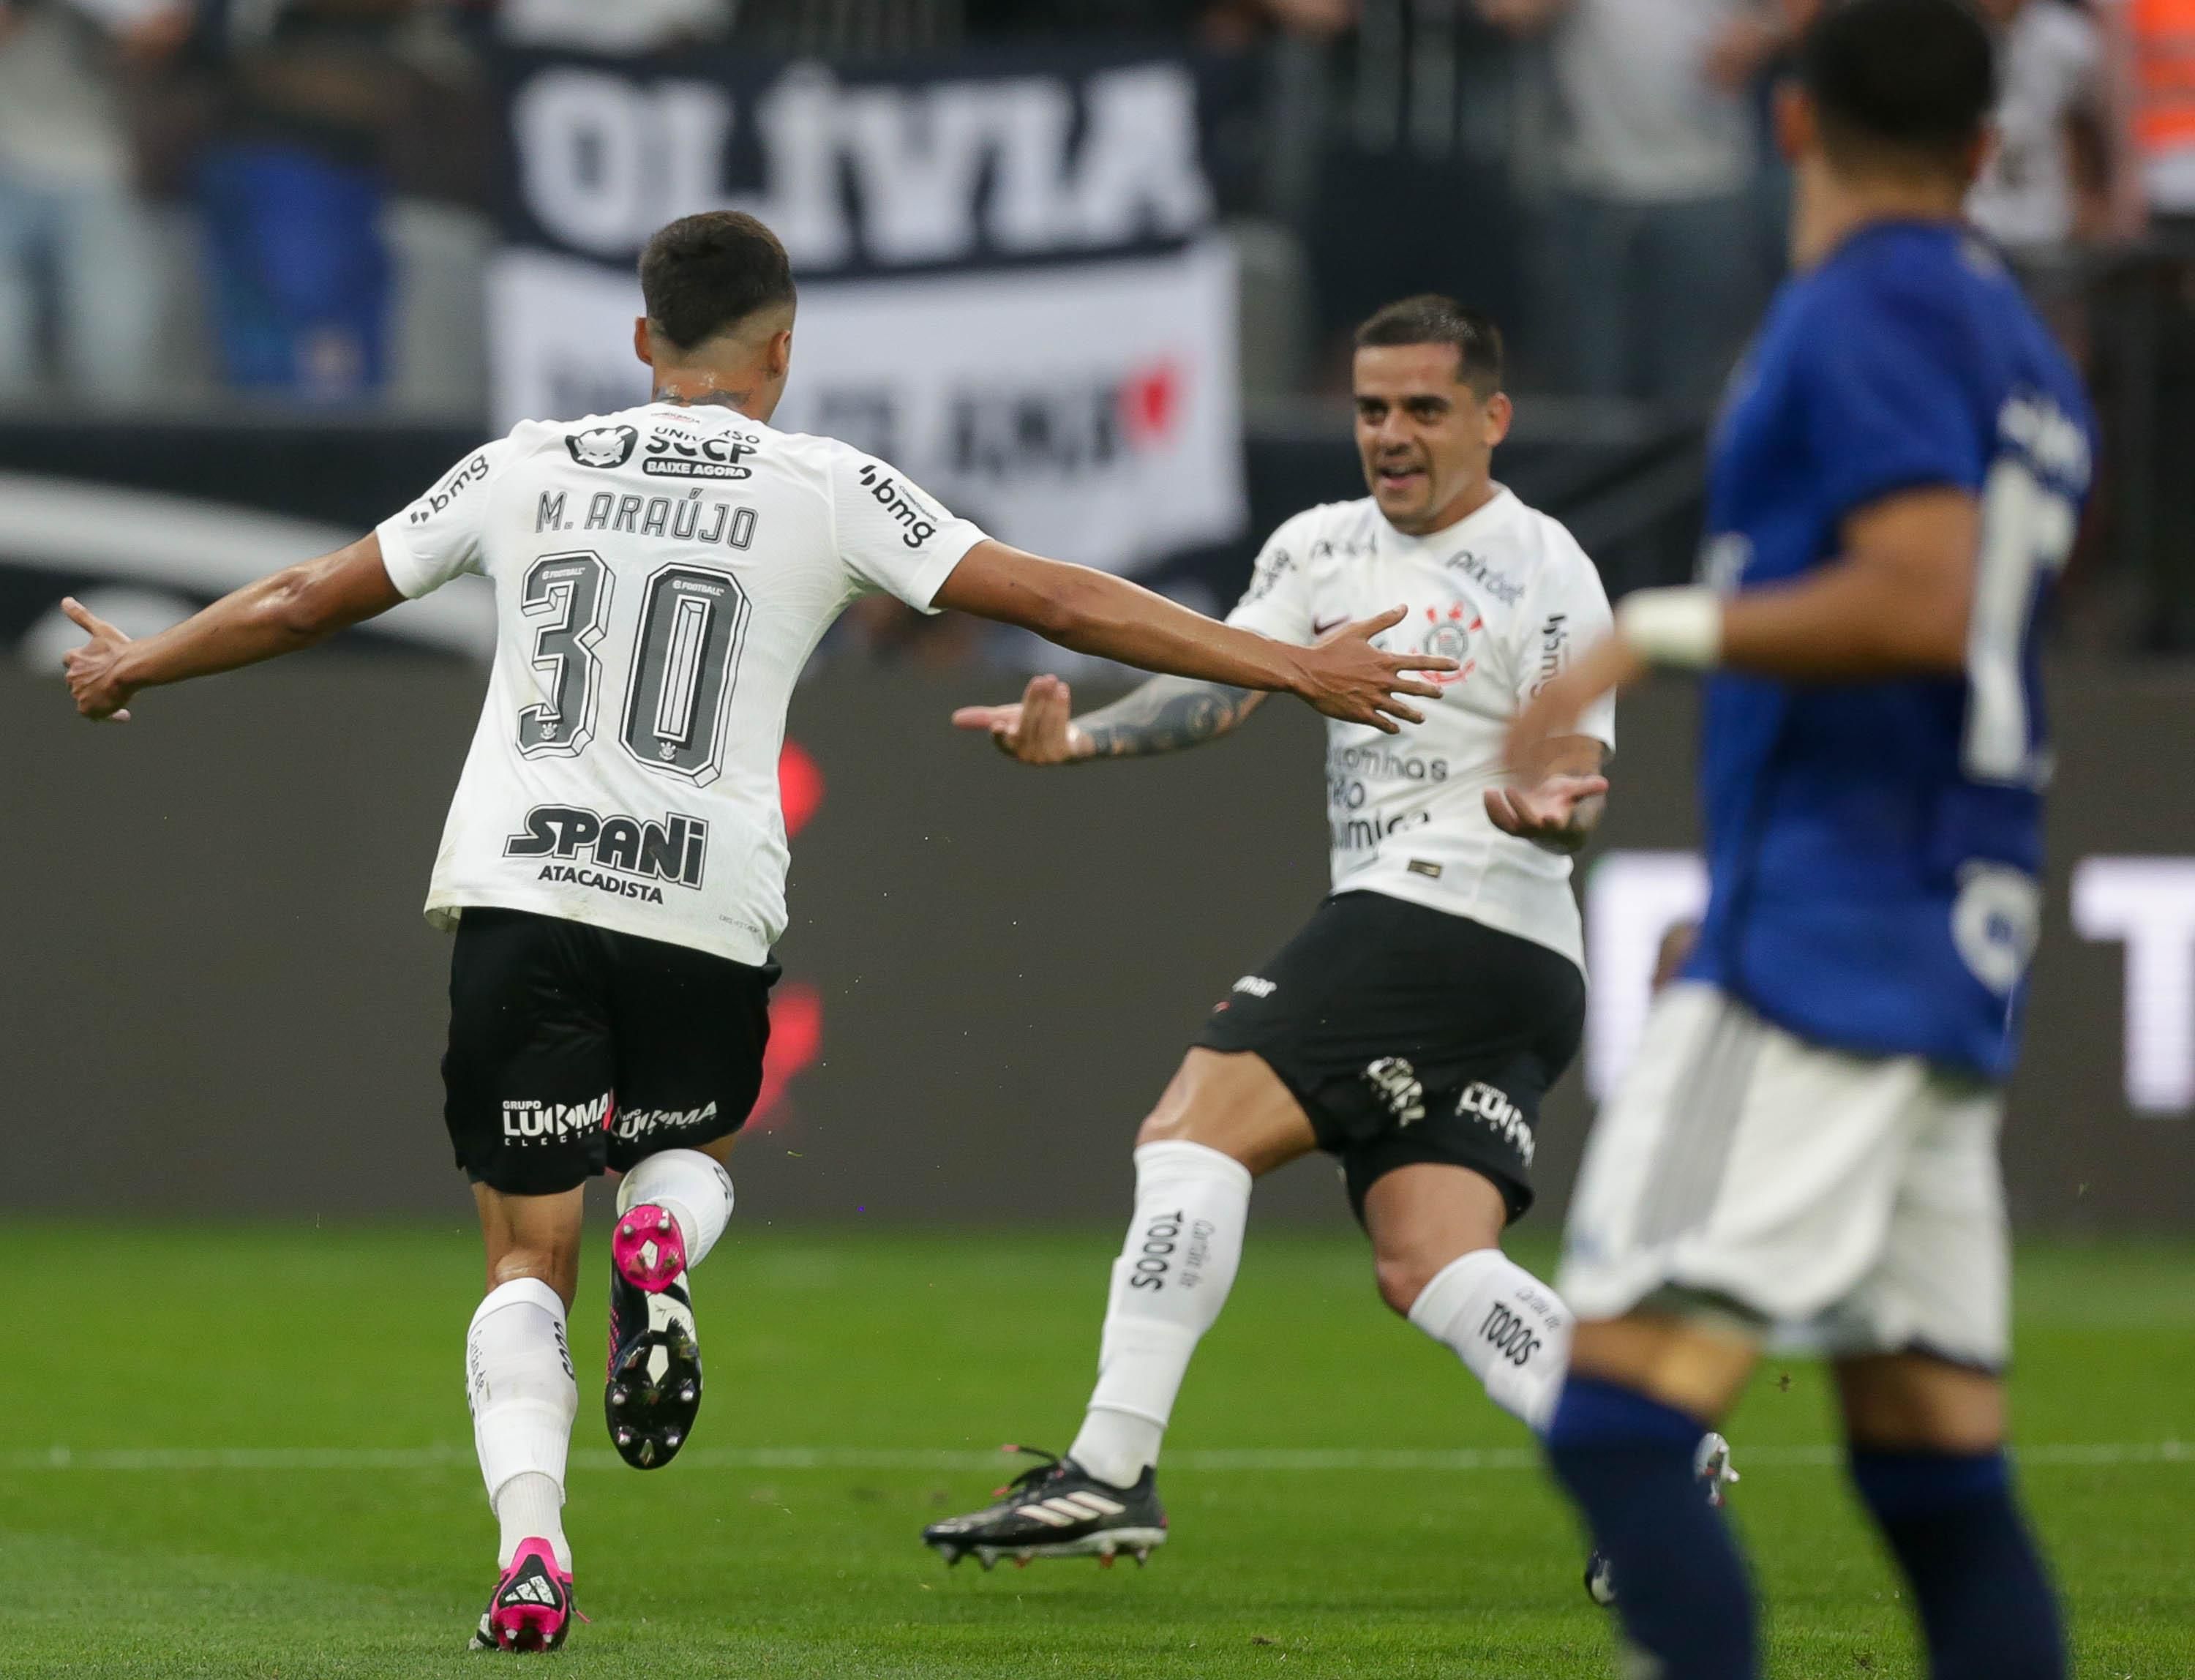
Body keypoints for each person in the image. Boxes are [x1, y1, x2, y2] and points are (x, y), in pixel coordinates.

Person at [55, 210, 1452, 1654]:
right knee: (683, 1154)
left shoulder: (525, 463)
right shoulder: (827, 485)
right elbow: (1053, 598)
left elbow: (301, 599)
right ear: (784, 349)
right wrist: (1286, 660)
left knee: (526, 1260)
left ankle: (533, 1552)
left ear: (642, 340)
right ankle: (660, 1230)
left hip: (524, 890)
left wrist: (140, 661)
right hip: (701, 901)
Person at [921, 296, 1733, 1573]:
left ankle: (1110, 1466)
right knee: (1428, 1260)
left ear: (1494, 419)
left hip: (1454, 911)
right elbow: (1221, 688)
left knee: (1190, 1133)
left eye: (1424, 409)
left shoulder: (1544, 565)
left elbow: (1575, 762)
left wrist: (1554, 810)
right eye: (1370, 410)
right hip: (1500, 965)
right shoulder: (1318, 548)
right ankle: (1645, 1455)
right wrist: (1083, 735)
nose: (1391, 436)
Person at [1508, 1, 2094, 1674]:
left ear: (1788, 122)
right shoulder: (2022, 345)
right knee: (1938, 1476)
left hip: (1821, 945)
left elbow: (1915, 595)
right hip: (1938, 939)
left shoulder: (1864, 309)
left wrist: (1656, 629)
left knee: (1618, 1422)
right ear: (1989, 150)